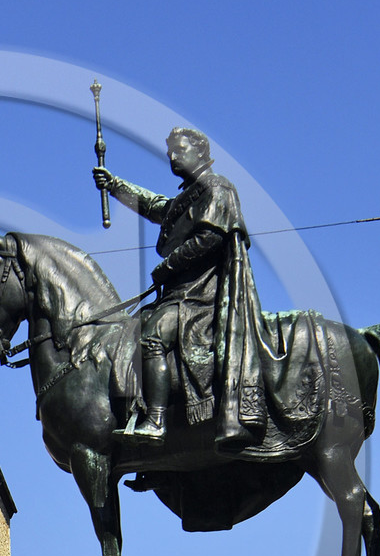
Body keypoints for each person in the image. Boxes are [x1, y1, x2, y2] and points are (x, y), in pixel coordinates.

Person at [94, 127, 267, 447]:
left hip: (201, 296)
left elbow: (210, 238)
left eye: (179, 149)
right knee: (131, 329)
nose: (172, 156)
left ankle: (157, 419)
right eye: (169, 150)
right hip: (179, 294)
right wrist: (115, 184)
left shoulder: (217, 189)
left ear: (200, 153)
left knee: (153, 335)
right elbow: (156, 205)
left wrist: (167, 266)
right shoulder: (190, 195)